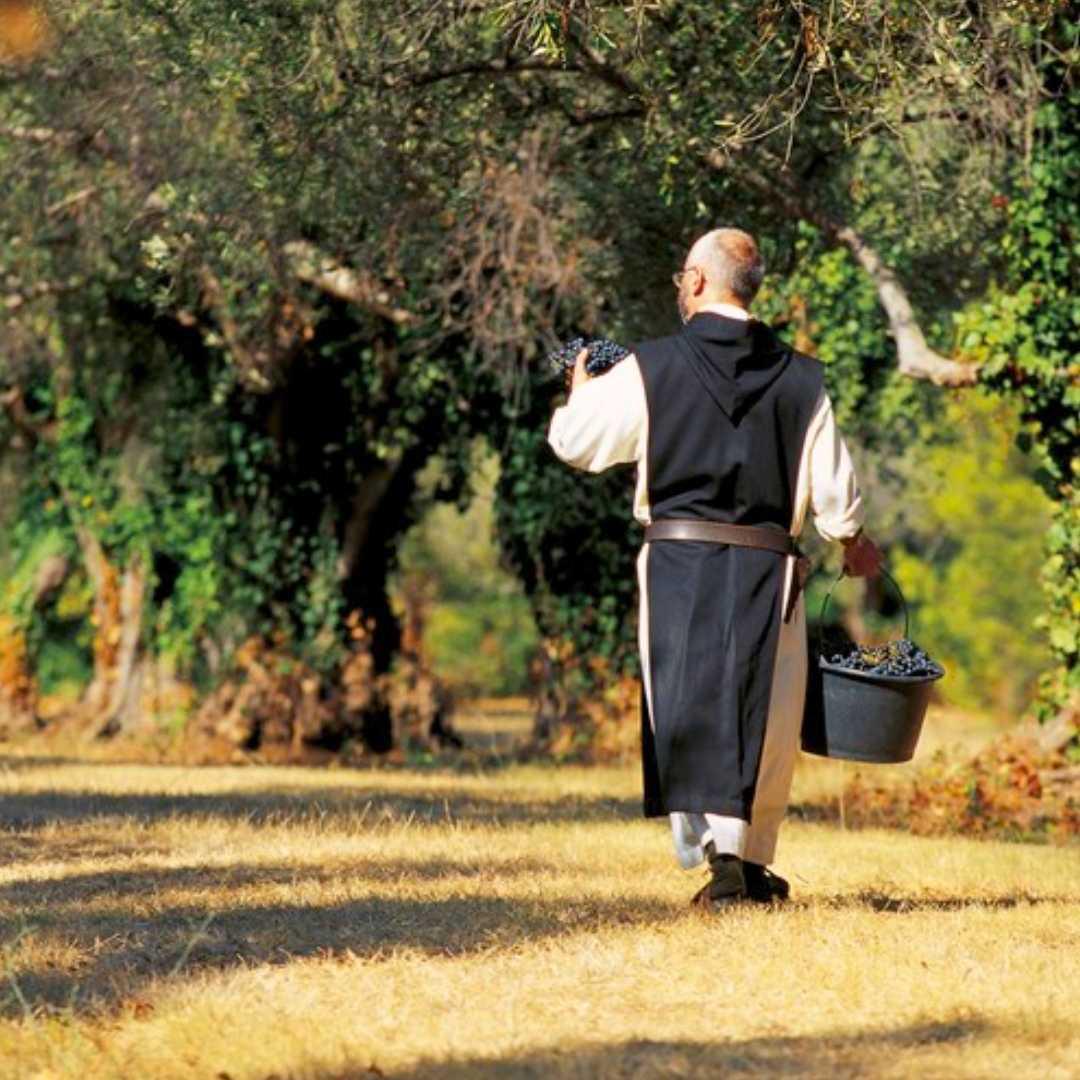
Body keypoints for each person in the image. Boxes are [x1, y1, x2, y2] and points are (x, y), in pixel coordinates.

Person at [547, 228, 881, 908]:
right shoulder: (802, 376)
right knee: (766, 716)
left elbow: (577, 443)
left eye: (680, 278)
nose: (679, 287)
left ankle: (723, 863)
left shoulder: (650, 367)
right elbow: (837, 497)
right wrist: (853, 543)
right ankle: (746, 864)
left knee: (688, 704)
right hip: (770, 571)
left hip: (678, 563)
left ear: (699, 282)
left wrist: (582, 390)